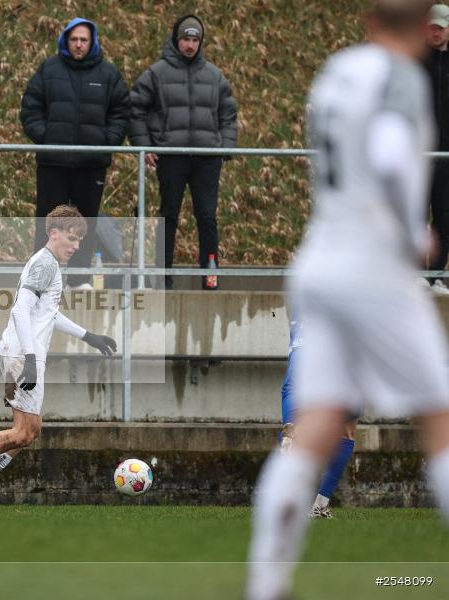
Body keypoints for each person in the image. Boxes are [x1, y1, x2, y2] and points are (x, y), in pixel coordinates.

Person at [246, 2, 449, 598]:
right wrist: (413, 230)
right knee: (439, 419)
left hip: (317, 262)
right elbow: (388, 154)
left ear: (367, 19)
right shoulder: (400, 78)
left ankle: (265, 582)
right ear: (422, 29)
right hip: (370, 265)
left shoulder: (336, 72)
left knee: (313, 429)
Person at [0, 206, 118, 505]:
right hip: (23, 355)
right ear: (53, 233)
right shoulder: (45, 264)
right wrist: (30, 359)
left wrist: (88, 336)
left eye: (79, 240)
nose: (76, 246)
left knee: (30, 430)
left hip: (19, 352)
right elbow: (20, 310)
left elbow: (47, 315)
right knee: (23, 431)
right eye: (72, 238)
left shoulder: (49, 265)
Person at [19, 17, 130, 288]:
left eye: (83, 40)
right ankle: (43, 279)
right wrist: (45, 137)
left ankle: (79, 278)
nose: (78, 44)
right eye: (74, 39)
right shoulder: (49, 69)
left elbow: (121, 112)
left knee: (86, 223)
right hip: (53, 162)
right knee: (49, 222)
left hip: (90, 164)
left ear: (92, 42)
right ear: (65, 41)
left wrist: (108, 140)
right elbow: (30, 107)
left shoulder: (108, 74)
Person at [129, 15, 237, 290]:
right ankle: (163, 278)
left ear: (201, 42)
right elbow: (136, 109)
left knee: (207, 217)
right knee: (169, 215)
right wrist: (145, 146)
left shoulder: (215, 76)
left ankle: (210, 277)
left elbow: (228, 112)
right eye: (185, 39)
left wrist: (226, 146)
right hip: (171, 155)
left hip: (207, 158)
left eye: (195, 40)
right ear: (176, 40)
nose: (190, 45)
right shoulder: (156, 73)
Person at [279, 319, 356, 519]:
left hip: (301, 348)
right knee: (346, 430)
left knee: (294, 394)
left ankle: (292, 427)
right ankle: (320, 505)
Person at [425, 3, 449, 293]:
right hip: (420, 153)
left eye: (439, 28)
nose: (435, 33)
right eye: (431, 27)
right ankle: (419, 273)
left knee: (444, 215)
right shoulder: (418, 60)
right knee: (418, 213)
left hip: (447, 155)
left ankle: (438, 273)